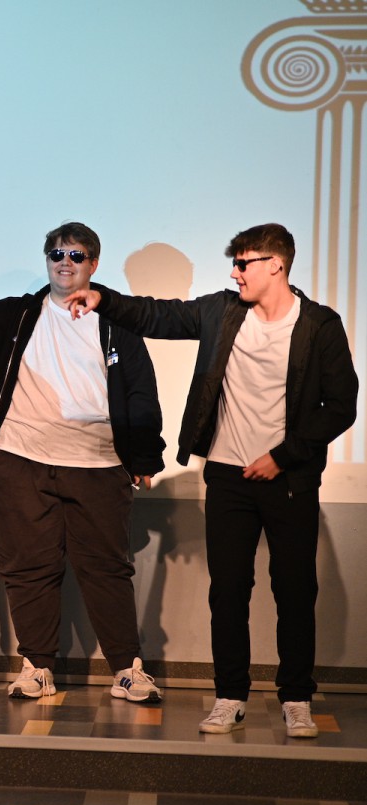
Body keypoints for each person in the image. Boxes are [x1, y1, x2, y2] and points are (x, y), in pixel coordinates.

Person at [66, 223, 359, 737]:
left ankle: (296, 699)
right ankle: (230, 696)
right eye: (234, 263)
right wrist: (103, 299)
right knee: (228, 590)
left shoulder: (319, 325)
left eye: (243, 263)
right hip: (226, 476)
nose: (235, 273)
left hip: (289, 479)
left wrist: (283, 456)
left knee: (295, 591)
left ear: (275, 265)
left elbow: (340, 406)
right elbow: (158, 315)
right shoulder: (222, 312)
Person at [0, 223, 165, 704]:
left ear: (93, 264)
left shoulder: (117, 320)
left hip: (98, 465)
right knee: (28, 567)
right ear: (47, 260)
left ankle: (127, 669)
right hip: (20, 461)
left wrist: (145, 454)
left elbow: (141, 388)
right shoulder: (19, 315)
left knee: (106, 569)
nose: (65, 262)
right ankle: (38, 667)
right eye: (57, 254)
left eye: (76, 255)